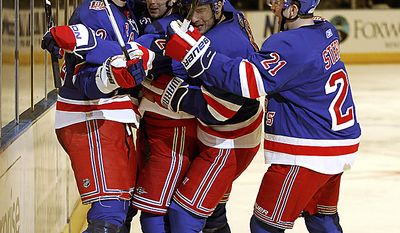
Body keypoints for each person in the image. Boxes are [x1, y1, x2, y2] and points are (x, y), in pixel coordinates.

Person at [164, 0, 362, 232]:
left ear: (293, 9)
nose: (271, 4)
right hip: (338, 141)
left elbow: (249, 81)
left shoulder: (289, 44)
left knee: (264, 226)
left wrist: (198, 56)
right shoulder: (324, 29)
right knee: (321, 218)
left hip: (307, 150)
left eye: (279, 2)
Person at [145, 0, 262, 232]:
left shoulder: (224, 43)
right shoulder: (228, 13)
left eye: (200, 10)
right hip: (230, 132)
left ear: (216, 8)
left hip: (228, 141)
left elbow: (221, 109)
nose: (194, 18)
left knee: (185, 214)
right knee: (213, 216)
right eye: (189, 10)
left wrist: (172, 93)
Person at [41, 0, 147, 232]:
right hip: (91, 118)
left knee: (122, 208)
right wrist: (112, 76)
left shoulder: (129, 8)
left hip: (115, 119)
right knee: (108, 213)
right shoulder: (93, 13)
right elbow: (85, 81)